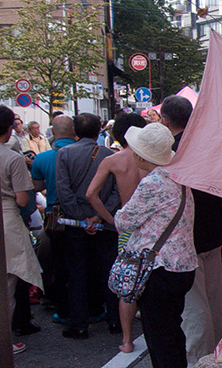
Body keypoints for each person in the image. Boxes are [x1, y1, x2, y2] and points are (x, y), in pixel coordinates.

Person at [115, 123, 198, 368]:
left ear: (140, 156)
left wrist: (118, 213)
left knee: (159, 332)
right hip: (182, 266)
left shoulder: (153, 184)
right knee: (170, 330)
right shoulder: (178, 178)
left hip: (159, 268)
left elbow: (124, 221)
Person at [161, 95, 222, 368]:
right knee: (215, 296)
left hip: (187, 236)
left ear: (165, 120)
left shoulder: (171, 153)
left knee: (195, 302)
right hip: (216, 228)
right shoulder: (208, 145)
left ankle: (199, 361)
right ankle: (221, 348)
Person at [85, 113, 148, 353]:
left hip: (127, 227)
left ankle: (127, 340)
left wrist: (112, 220)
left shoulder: (114, 160)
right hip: (156, 225)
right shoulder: (154, 160)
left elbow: (91, 193)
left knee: (128, 284)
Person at [56, 113, 121, 339]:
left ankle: (79, 323)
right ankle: (115, 320)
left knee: (77, 273)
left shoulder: (64, 154)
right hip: (104, 219)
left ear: (76, 131)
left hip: (75, 223)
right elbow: (116, 191)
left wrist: (80, 217)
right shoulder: (108, 155)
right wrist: (100, 215)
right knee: (109, 270)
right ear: (99, 130)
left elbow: (63, 191)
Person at [0, 106, 43, 355]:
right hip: (7, 220)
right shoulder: (12, 158)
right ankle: (5, 340)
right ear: (8, 129)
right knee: (7, 282)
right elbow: (22, 200)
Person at [31, 115, 76, 327]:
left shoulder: (42, 158)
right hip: (85, 216)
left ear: (53, 134)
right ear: (74, 131)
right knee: (83, 263)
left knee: (58, 263)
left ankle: (61, 307)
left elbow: (37, 187)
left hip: (54, 218)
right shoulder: (90, 154)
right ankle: (90, 307)